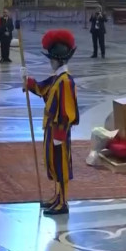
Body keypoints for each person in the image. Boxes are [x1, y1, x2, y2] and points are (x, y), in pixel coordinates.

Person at [22, 29, 80, 216]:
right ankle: (57, 197)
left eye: (52, 59)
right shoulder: (57, 79)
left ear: (57, 60)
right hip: (51, 129)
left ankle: (63, 202)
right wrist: (28, 81)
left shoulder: (65, 81)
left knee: (61, 165)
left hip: (58, 131)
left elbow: (67, 111)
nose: (50, 62)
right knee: (54, 163)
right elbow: (43, 89)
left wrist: (60, 134)